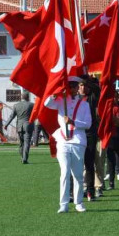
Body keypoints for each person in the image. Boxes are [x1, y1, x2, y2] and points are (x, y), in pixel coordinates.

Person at [45, 77, 92, 213]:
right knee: (64, 172)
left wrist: (73, 122)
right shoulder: (61, 101)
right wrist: (54, 94)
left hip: (77, 141)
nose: (72, 88)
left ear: (78, 88)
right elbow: (47, 104)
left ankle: (78, 202)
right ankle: (63, 203)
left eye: (74, 86)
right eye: (69, 85)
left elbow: (88, 124)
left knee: (77, 174)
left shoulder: (85, 105)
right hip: (63, 141)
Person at [4, 91, 34, 164]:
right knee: (27, 143)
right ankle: (25, 159)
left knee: (21, 143)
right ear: (28, 97)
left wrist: (6, 124)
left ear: (21, 97)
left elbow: (12, 116)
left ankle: (22, 157)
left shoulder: (16, 105)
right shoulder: (32, 105)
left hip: (19, 126)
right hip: (28, 125)